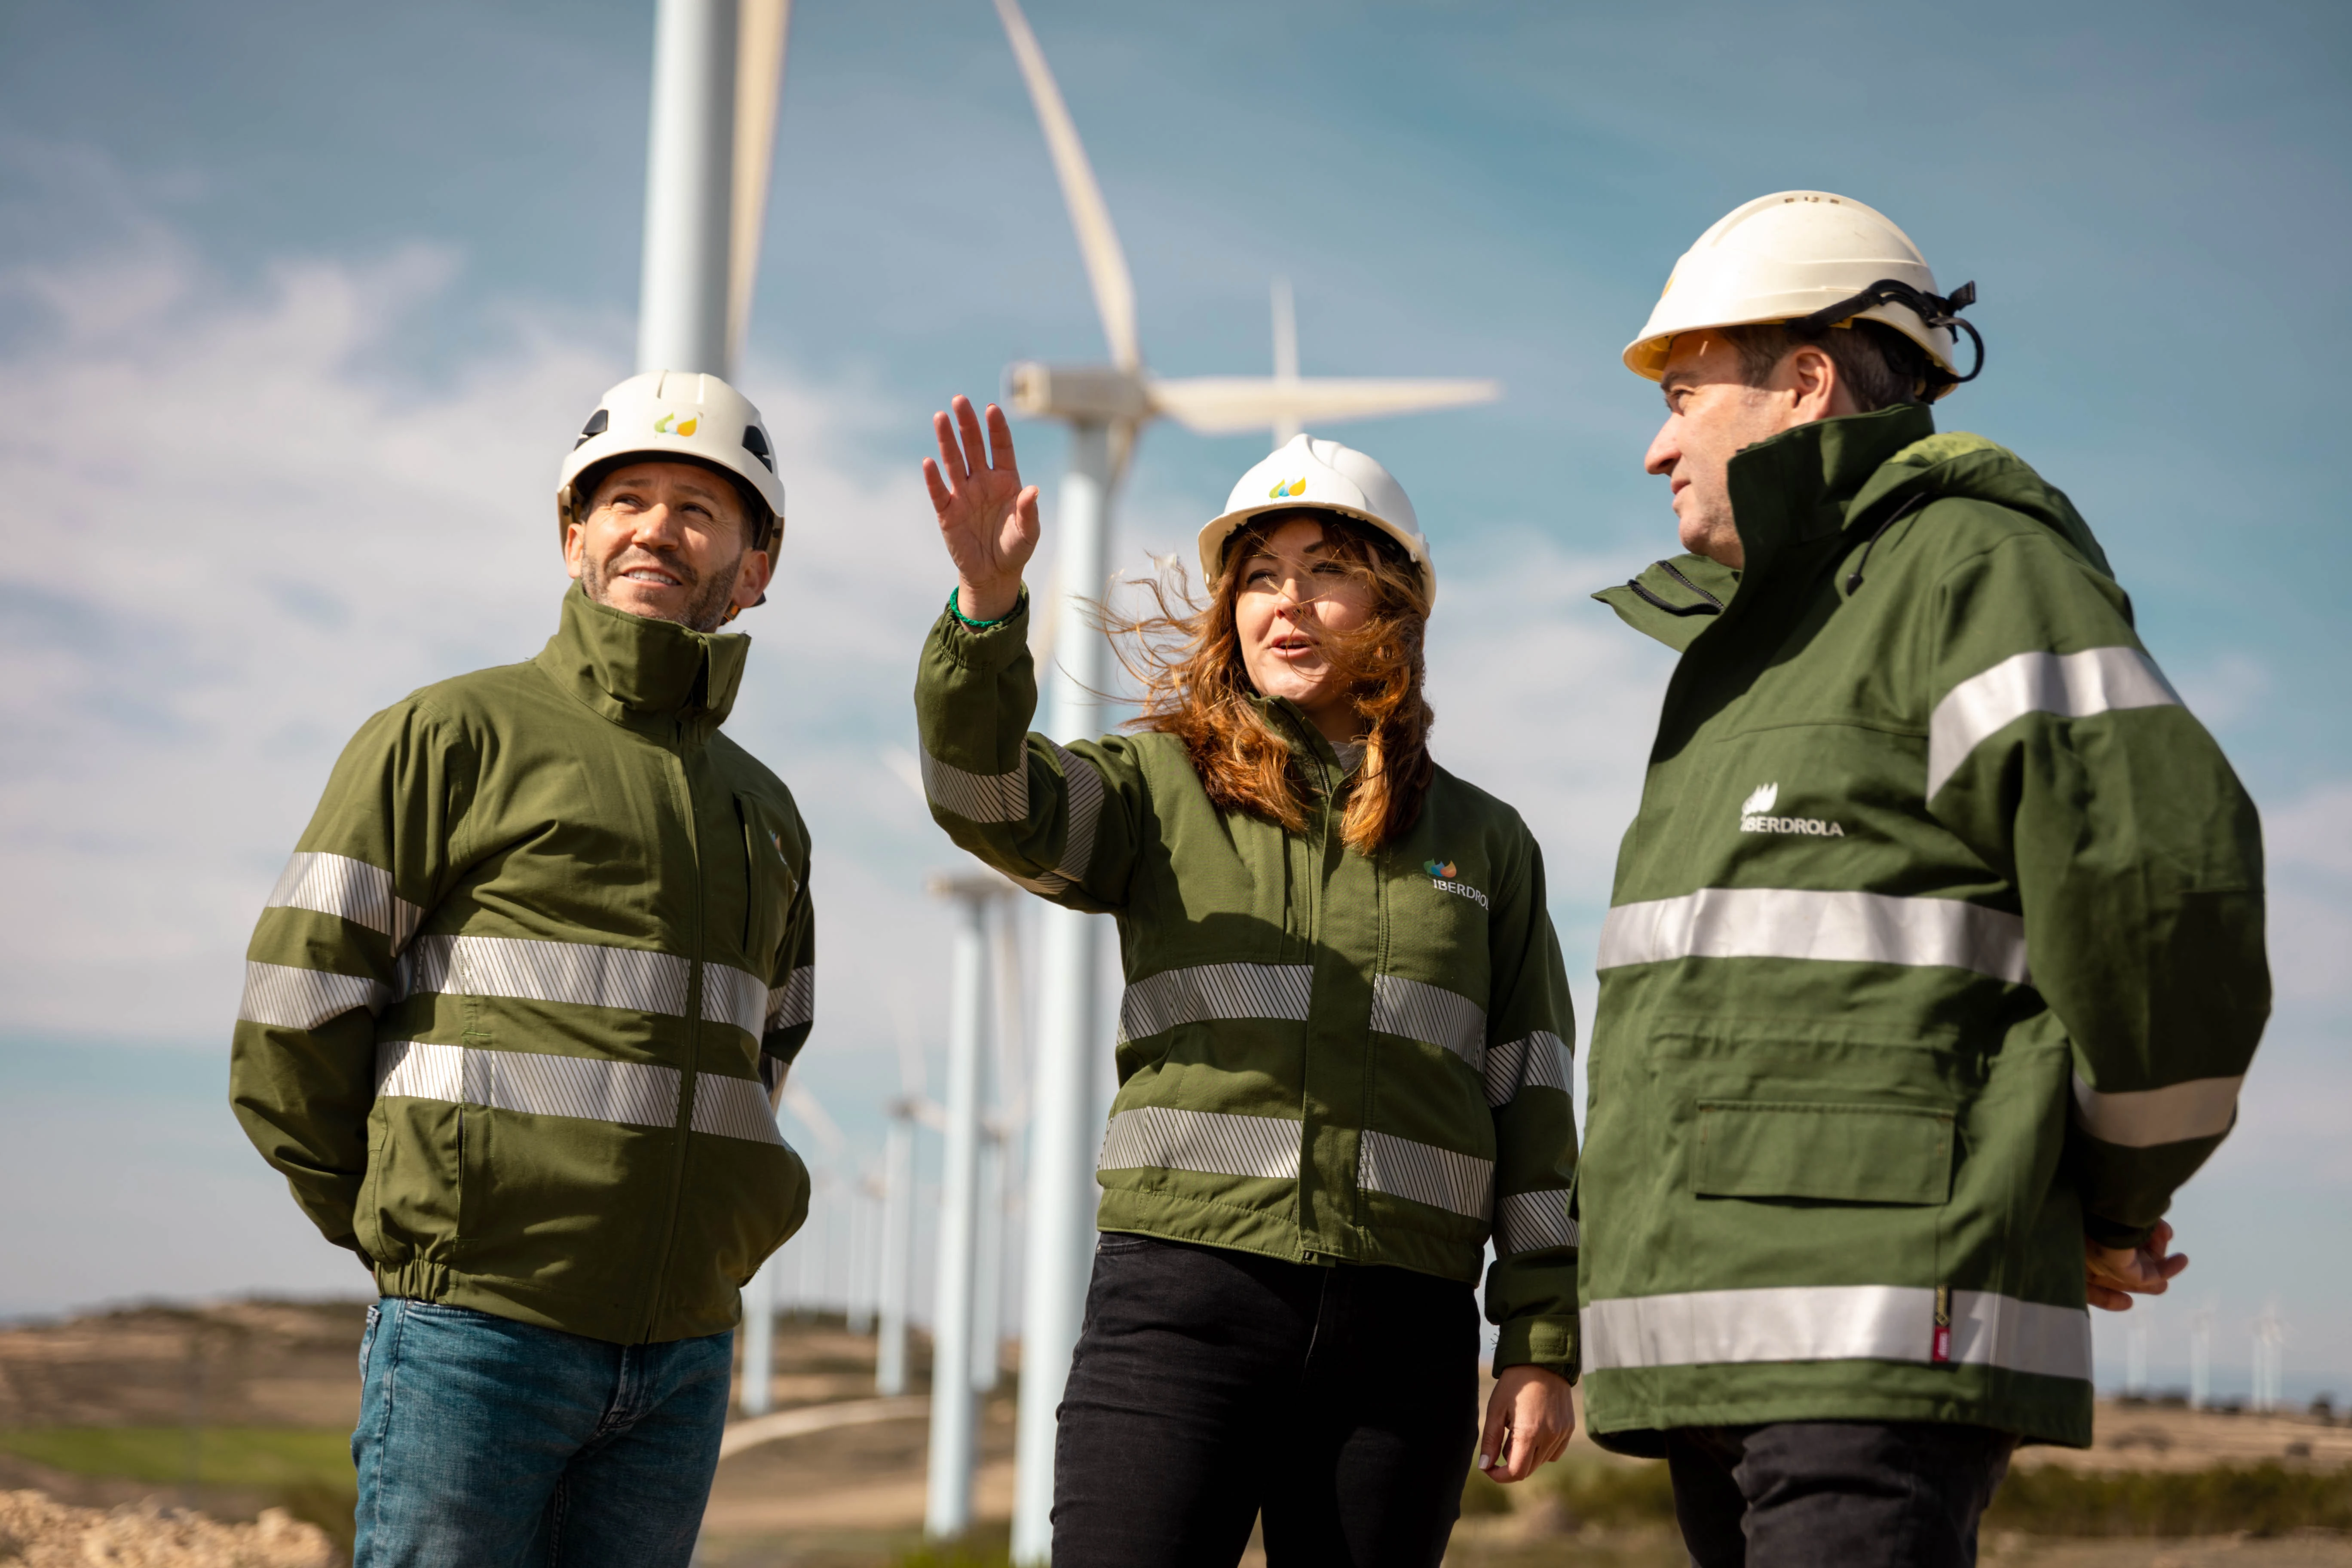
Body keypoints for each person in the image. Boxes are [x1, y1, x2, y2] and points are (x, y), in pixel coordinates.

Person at [1579, 190, 2270, 1566]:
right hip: (1725, 1346)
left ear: (1807, 385)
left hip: (1875, 1343)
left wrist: (2111, 1195)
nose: (1656, 444)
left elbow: (2160, 888)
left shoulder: (1973, 570)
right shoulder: (1760, 650)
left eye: (1685, 392)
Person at [916, 399, 1580, 1567]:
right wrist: (985, 615)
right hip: (1181, 1309)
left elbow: (1532, 1105)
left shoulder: (1488, 845)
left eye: (1328, 572)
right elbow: (985, 799)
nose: (1288, 601)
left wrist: (1538, 1338)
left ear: (1395, 606)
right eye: (1262, 577)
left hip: (1403, 1333)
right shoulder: (1155, 790)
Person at [230, 370, 818, 1567]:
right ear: (572, 535)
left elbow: (768, 1053)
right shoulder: (449, 736)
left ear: (754, 567)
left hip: (684, 1352)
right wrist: (415, 1233)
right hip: (476, 1333)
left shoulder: (768, 814)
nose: (657, 527)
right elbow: (295, 1014)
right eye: (627, 499)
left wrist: (716, 1240)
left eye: (700, 510)